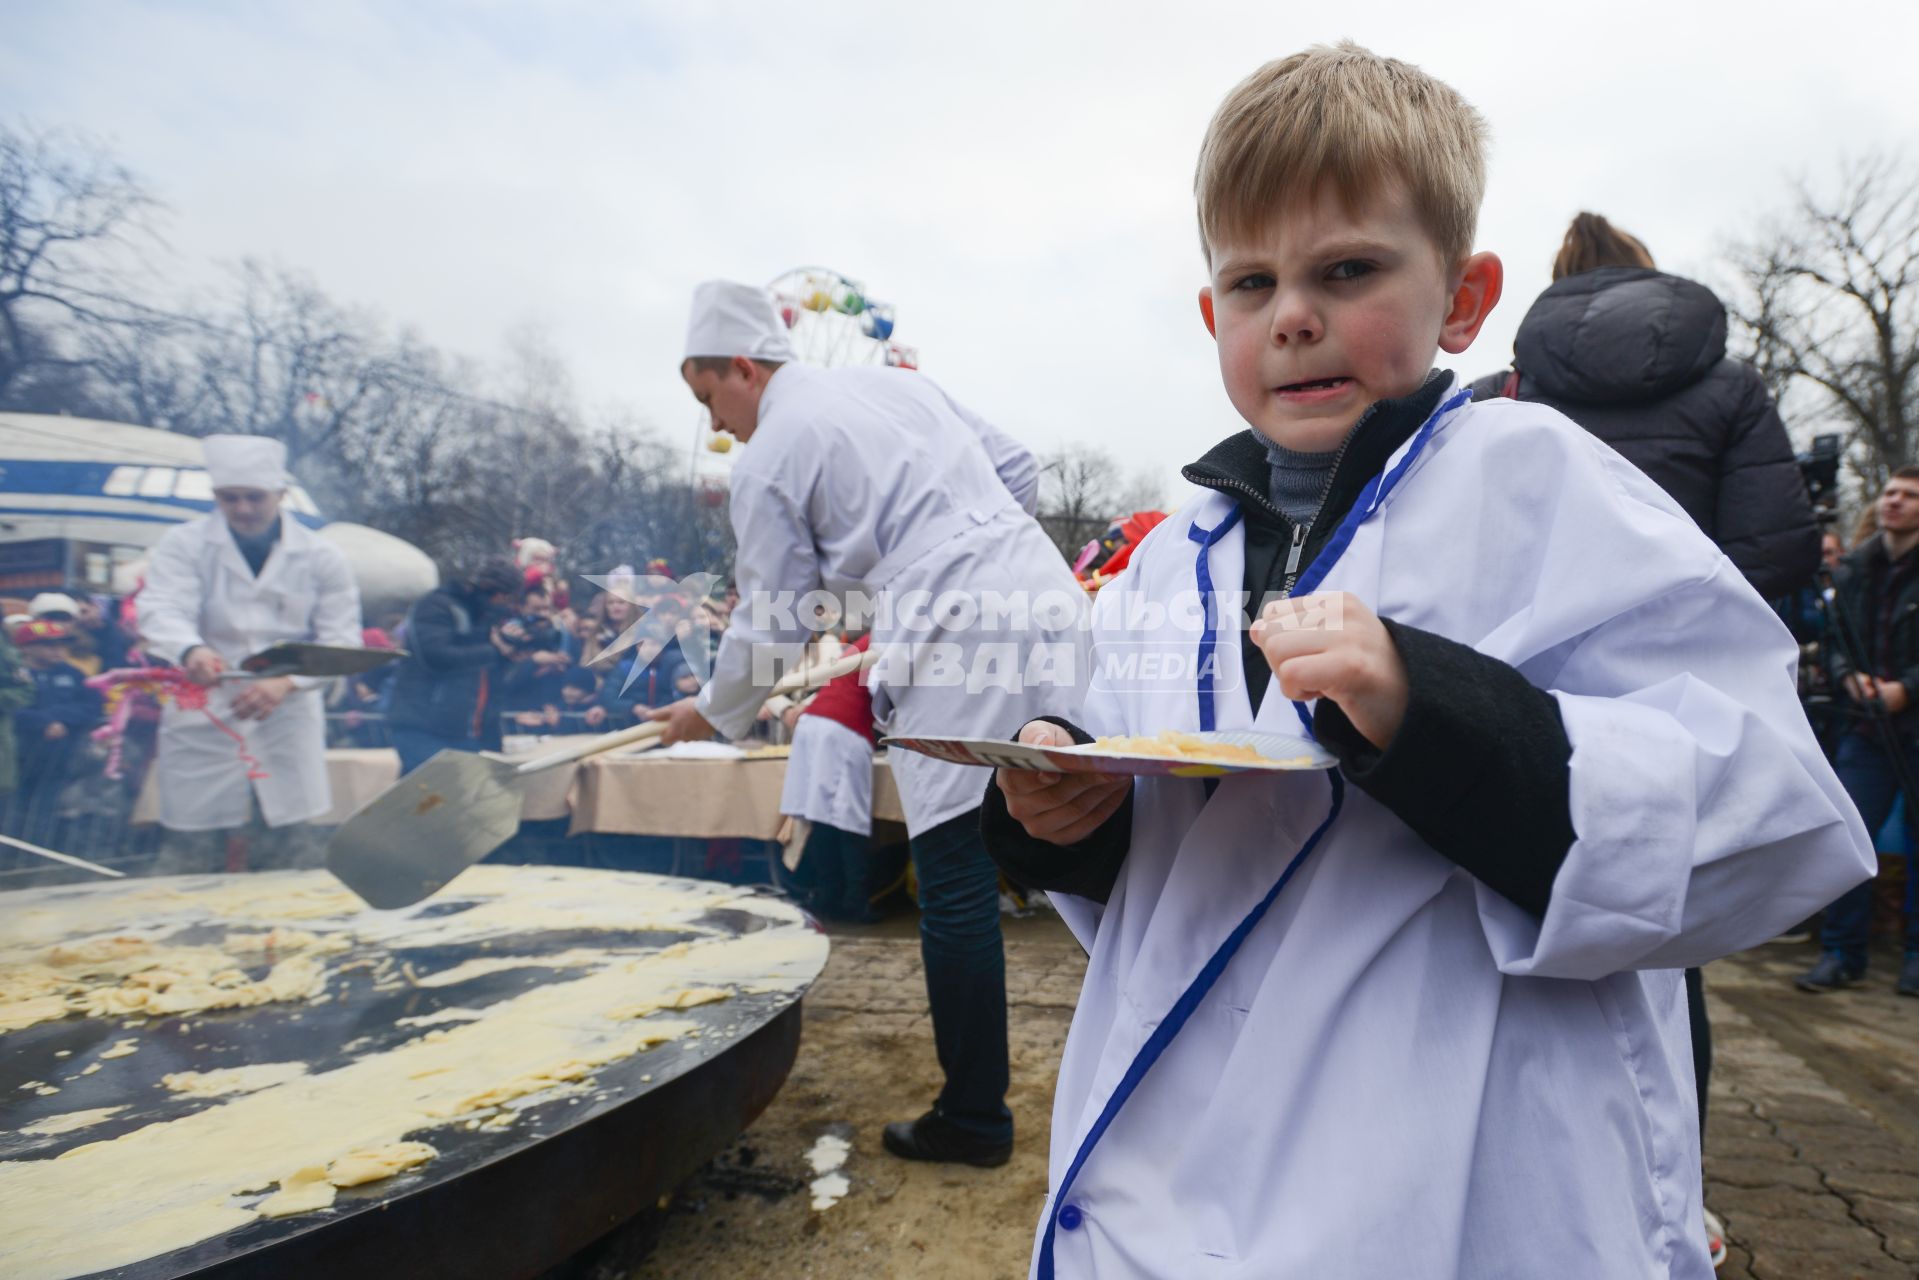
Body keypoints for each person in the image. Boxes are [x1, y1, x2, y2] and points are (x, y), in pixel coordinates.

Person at [980, 44, 1873, 1278]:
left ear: (1461, 295)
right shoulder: (1167, 552)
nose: (1290, 313)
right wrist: (1053, 803)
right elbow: (1149, 839)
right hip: (1168, 1168)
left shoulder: (1537, 482)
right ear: (1212, 317)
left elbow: (1767, 807)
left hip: (1459, 1158)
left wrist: (1430, 710)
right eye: (1250, 281)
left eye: (1345, 269)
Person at [652, 279, 1087, 1168]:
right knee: (1085, 825)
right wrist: (943, 560)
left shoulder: (771, 455)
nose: (719, 427)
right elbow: (1017, 469)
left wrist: (707, 710)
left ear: (742, 365)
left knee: (958, 880)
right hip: (1041, 592)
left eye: (710, 401)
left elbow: (775, 622)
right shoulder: (899, 385)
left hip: (955, 631)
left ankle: (973, 1119)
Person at [1475, 211, 1824, 1264]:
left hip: (1515, 697)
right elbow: (1774, 547)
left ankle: (1512, 1174)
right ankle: (1680, 1198)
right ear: (1649, 281)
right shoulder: (1724, 384)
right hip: (1670, 704)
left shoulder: (1509, 389)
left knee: (1497, 922)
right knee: (1667, 945)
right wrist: (1685, 635)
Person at [1471, 213, 1819, 601]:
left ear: (1561, 282)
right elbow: (1775, 552)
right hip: (1693, 648)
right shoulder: (1736, 387)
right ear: (1648, 275)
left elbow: (1458, 544)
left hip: (1522, 655)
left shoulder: (1495, 397)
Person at [139, 436, 362, 874]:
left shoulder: (322, 556)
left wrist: (287, 682)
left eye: (254, 497)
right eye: (229, 497)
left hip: (286, 715)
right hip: (204, 712)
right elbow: (161, 607)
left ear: (280, 495)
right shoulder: (184, 544)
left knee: (289, 845)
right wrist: (191, 649)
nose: (242, 509)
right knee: (190, 847)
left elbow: (342, 641)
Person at [1797, 468, 1919, 998]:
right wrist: (1852, 678)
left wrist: (1907, 689)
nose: (1894, 501)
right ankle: (1841, 953)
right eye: (1890, 491)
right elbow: (1837, 637)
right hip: (1865, 728)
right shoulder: (1855, 569)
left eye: (1909, 495)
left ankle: (1915, 960)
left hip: (1912, 723)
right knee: (1848, 838)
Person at [384, 558, 529, 775]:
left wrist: (509, 656)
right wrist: (494, 650)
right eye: (509, 599)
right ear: (499, 593)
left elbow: (488, 674)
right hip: (422, 722)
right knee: (433, 795)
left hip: (461, 728)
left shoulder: (483, 616)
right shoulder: (437, 605)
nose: (508, 606)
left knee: (433, 800)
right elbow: (436, 656)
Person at [779, 634, 884, 922]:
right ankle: (855, 902)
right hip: (842, 728)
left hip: (815, 723)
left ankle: (829, 896)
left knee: (822, 818)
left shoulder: (867, 639)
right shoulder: (887, 637)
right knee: (850, 822)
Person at [10, 620, 105, 845]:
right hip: (18, 754)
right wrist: (42, 722)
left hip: (59, 756)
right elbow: (11, 708)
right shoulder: (12, 674)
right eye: (48, 645)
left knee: (46, 807)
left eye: (61, 644)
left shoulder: (72, 674)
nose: (58, 650)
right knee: (13, 806)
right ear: (26, 648)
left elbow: (92, 705)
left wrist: (61, 719)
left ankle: (38, 856)